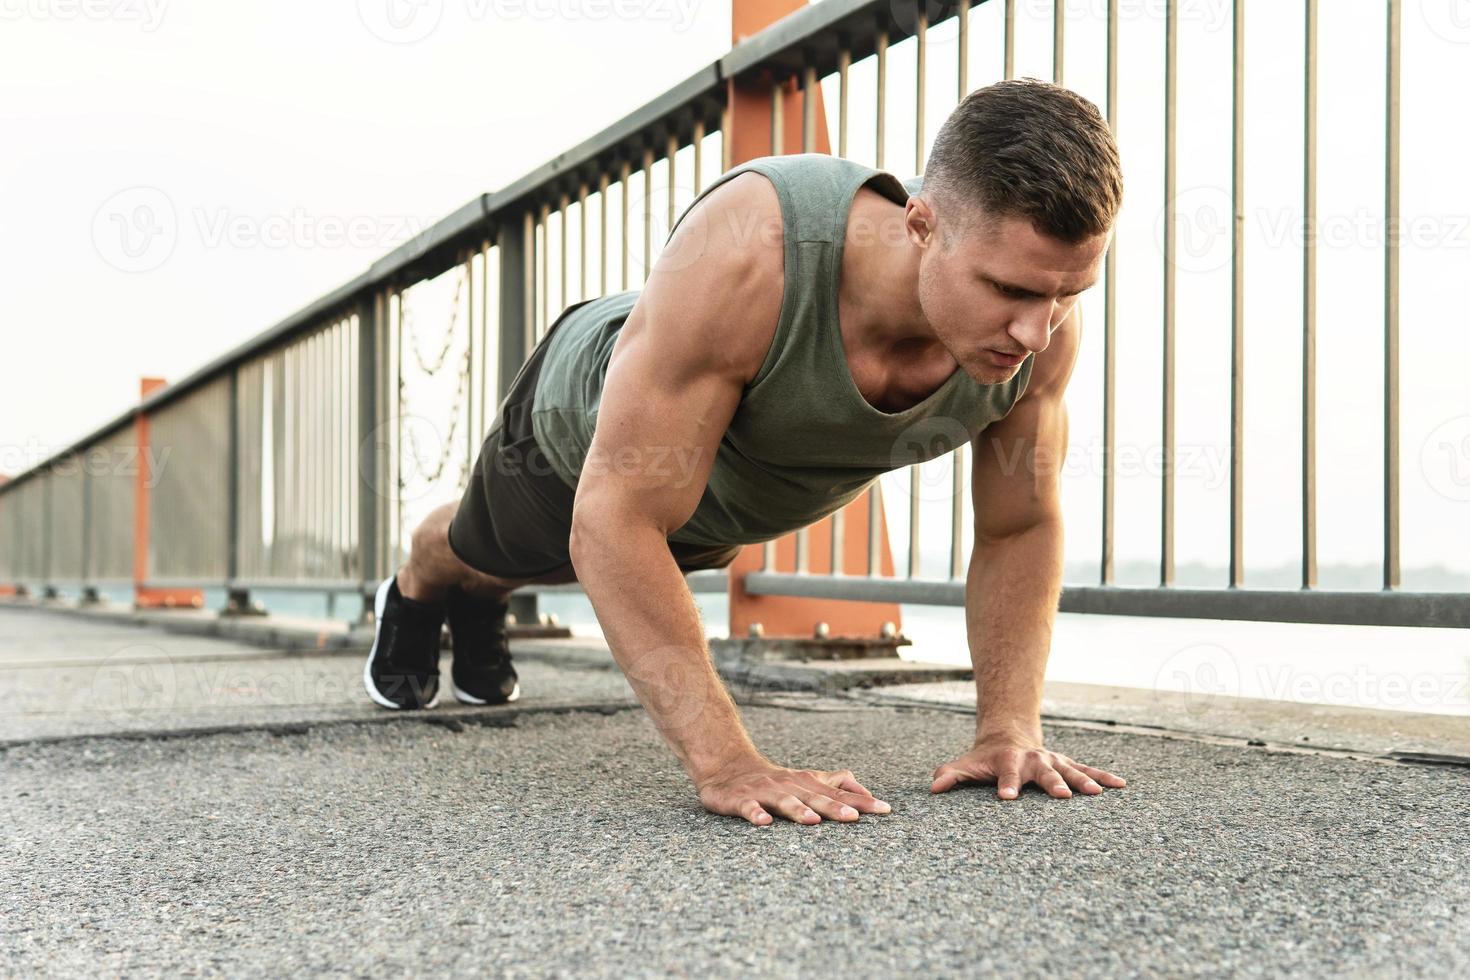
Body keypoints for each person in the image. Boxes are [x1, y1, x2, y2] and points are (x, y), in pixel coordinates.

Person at [364, 77, 1128, 826]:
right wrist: (729, 763)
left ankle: (484, 600)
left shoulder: (1044, 335)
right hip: (581, 431)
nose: (1036, 331)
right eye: (1008, 290)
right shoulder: (755, 247)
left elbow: (1018, 525)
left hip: (721, 502)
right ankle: (420, 586)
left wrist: (1009, 732)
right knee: (492, 549)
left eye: (1066, 294)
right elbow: (614, 522)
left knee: (575, 569)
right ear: (921, 224)